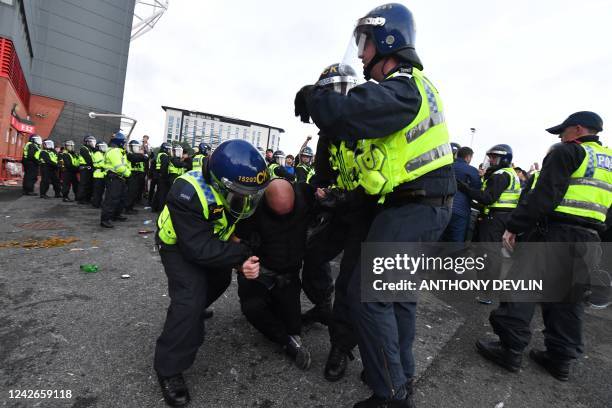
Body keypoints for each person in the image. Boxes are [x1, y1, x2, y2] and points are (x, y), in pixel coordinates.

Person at [295, 4, 455, 407]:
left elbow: (347, 109)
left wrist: (313, 95)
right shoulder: (413, 88)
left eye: (364, 44)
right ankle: (399, 377)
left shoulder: (402, 87)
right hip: (414, 205)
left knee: (369, 294)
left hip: (414, 207)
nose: (362, 55)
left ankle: (392, 394)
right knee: (396, 297)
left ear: (387, 41)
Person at [477, 111, 611, 382]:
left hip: (554, 232)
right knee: (568, 300)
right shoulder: (608, 163)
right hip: (589, 239)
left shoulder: (569, 152)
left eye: (563, 131)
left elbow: (545, 194)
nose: (561, 136)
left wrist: (515, 226)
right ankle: (560, 359)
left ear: (577, 129)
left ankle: (510, 349)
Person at [154, 139, 269, 407]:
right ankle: (168, 368)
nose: (247, 199)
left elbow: (228, 226)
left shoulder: (236, 187)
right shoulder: (187, 192)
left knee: (218, 280)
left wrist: (246, 251)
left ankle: (188, 313)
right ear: (220, 183)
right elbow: (197, 249)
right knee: (189, 299)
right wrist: (241, 259)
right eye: (241, 193)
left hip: (208, 241)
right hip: (177, 245)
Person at [301, 62, 377, 382]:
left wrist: (344, 198)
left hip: (367, 213)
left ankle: (342, 346)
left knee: (349, 282)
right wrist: (316, 195)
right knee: (313, 253)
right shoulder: (327, 136)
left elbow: (376, 181)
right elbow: (322, 174)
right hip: (340, 210)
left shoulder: (368, 124)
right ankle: (322, 305)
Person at [235, 178, 316, 369]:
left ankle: (282, 315)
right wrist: (241, 263)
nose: (284, 218)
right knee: (253, 308)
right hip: (261, 271)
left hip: (288, 274)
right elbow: (234, 239)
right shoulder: (251, 207)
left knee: (293, 326)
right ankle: (286, 342)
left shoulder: (305, 194)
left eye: (288, 212)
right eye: (278, 214)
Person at [458, 144, 519, 304]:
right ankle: (485, 287)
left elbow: (487, 198)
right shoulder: (508, 173)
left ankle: (487, 292)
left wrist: (465, 188)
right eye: (490, 157)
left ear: (504, 158)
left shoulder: (501, 175)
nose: (491, 160)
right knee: (487, 253)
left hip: (495, 219)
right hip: (497, 217)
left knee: (490, 255)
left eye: (494, 157)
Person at [441, 146, 481, 242]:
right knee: (456, 242)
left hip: (442, 208)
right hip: (460, 210)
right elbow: (476, 189)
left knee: (439, 238)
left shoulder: (447, 166)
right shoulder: (472, 170)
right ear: (468, 157)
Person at [100, 133, 130, 228]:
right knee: (111, 199)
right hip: (114, 177)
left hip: (119, 178)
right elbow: (119, 167)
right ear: (120, 142)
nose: (124, 144)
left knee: (120, 198)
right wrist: (128, 173)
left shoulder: (118, 151)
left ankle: (115, 215)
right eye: (124, 142)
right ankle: (105, 220)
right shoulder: (114, 151)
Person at [125, 140, 148, 214]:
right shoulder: (129, 154)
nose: (137, 149)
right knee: (130, 193)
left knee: (134, 192)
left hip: (136, 175)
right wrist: (142, 155)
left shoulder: (136, 154)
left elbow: (145, 158)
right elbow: (137, 158)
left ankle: (131, 207)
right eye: (136, 147)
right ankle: (127, 209)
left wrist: (143, 155)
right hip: (131, 174)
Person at [77, 135, 96, 204]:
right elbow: (89, 160)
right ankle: (81, 199)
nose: (92, 144)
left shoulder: (90, 150)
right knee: (84, 184)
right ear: (87, 142)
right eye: (91, 142)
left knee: (89, 184)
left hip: (89, 169)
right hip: (84, 168)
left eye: (93, 142)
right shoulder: (83, 148)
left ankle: (87, 198)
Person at [91, 141, 107, 208]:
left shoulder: (100, 153)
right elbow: (102, 164)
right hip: (98, 175)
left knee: (100, 191)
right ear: (98, 147)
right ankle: (96, 204)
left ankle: (97, 203)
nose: (103, 148)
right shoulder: (98, 153)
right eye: (102, 146)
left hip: (100, 174)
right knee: (98, 191)